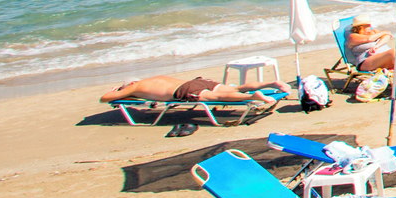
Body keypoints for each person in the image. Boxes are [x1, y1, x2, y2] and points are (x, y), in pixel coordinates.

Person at [101, 75, 279, 110]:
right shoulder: (156, 77)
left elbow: (104, 99)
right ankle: (270, 83)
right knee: (235, 88)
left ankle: (252, 97)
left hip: (185, 90)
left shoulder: (135, 86)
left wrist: (119, 92)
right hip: (197, 81)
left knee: (217, 97)